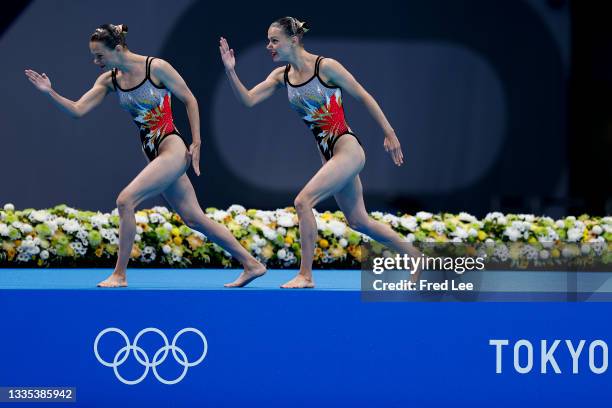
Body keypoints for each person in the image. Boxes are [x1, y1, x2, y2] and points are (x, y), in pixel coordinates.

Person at [26, 23, 266, 288]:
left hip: (171, 147)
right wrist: (50, 93)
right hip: (152, 153)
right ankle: (252, 264)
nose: (96, 62)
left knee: (125, 200)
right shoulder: (110, 80)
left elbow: (190, 99)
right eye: (94, 57)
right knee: (194, 218)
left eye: (100, 56)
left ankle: (119, 274)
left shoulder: (156, 68)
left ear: (117, 49)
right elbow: (78, 109)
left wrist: (196, 142)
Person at [220, 17, 421, 288]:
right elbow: (248, 100)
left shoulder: (325, 67)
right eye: (268, 41)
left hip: (347, 148)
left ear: (294, 40)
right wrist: (232, 71)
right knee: (358, 220)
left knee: (303, 201)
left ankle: (305, 275)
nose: (269, 46)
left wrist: (390, 132)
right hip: (327, 153)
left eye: (274, 40)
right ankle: (416, 256)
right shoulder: (281, 76)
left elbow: (363, 95)